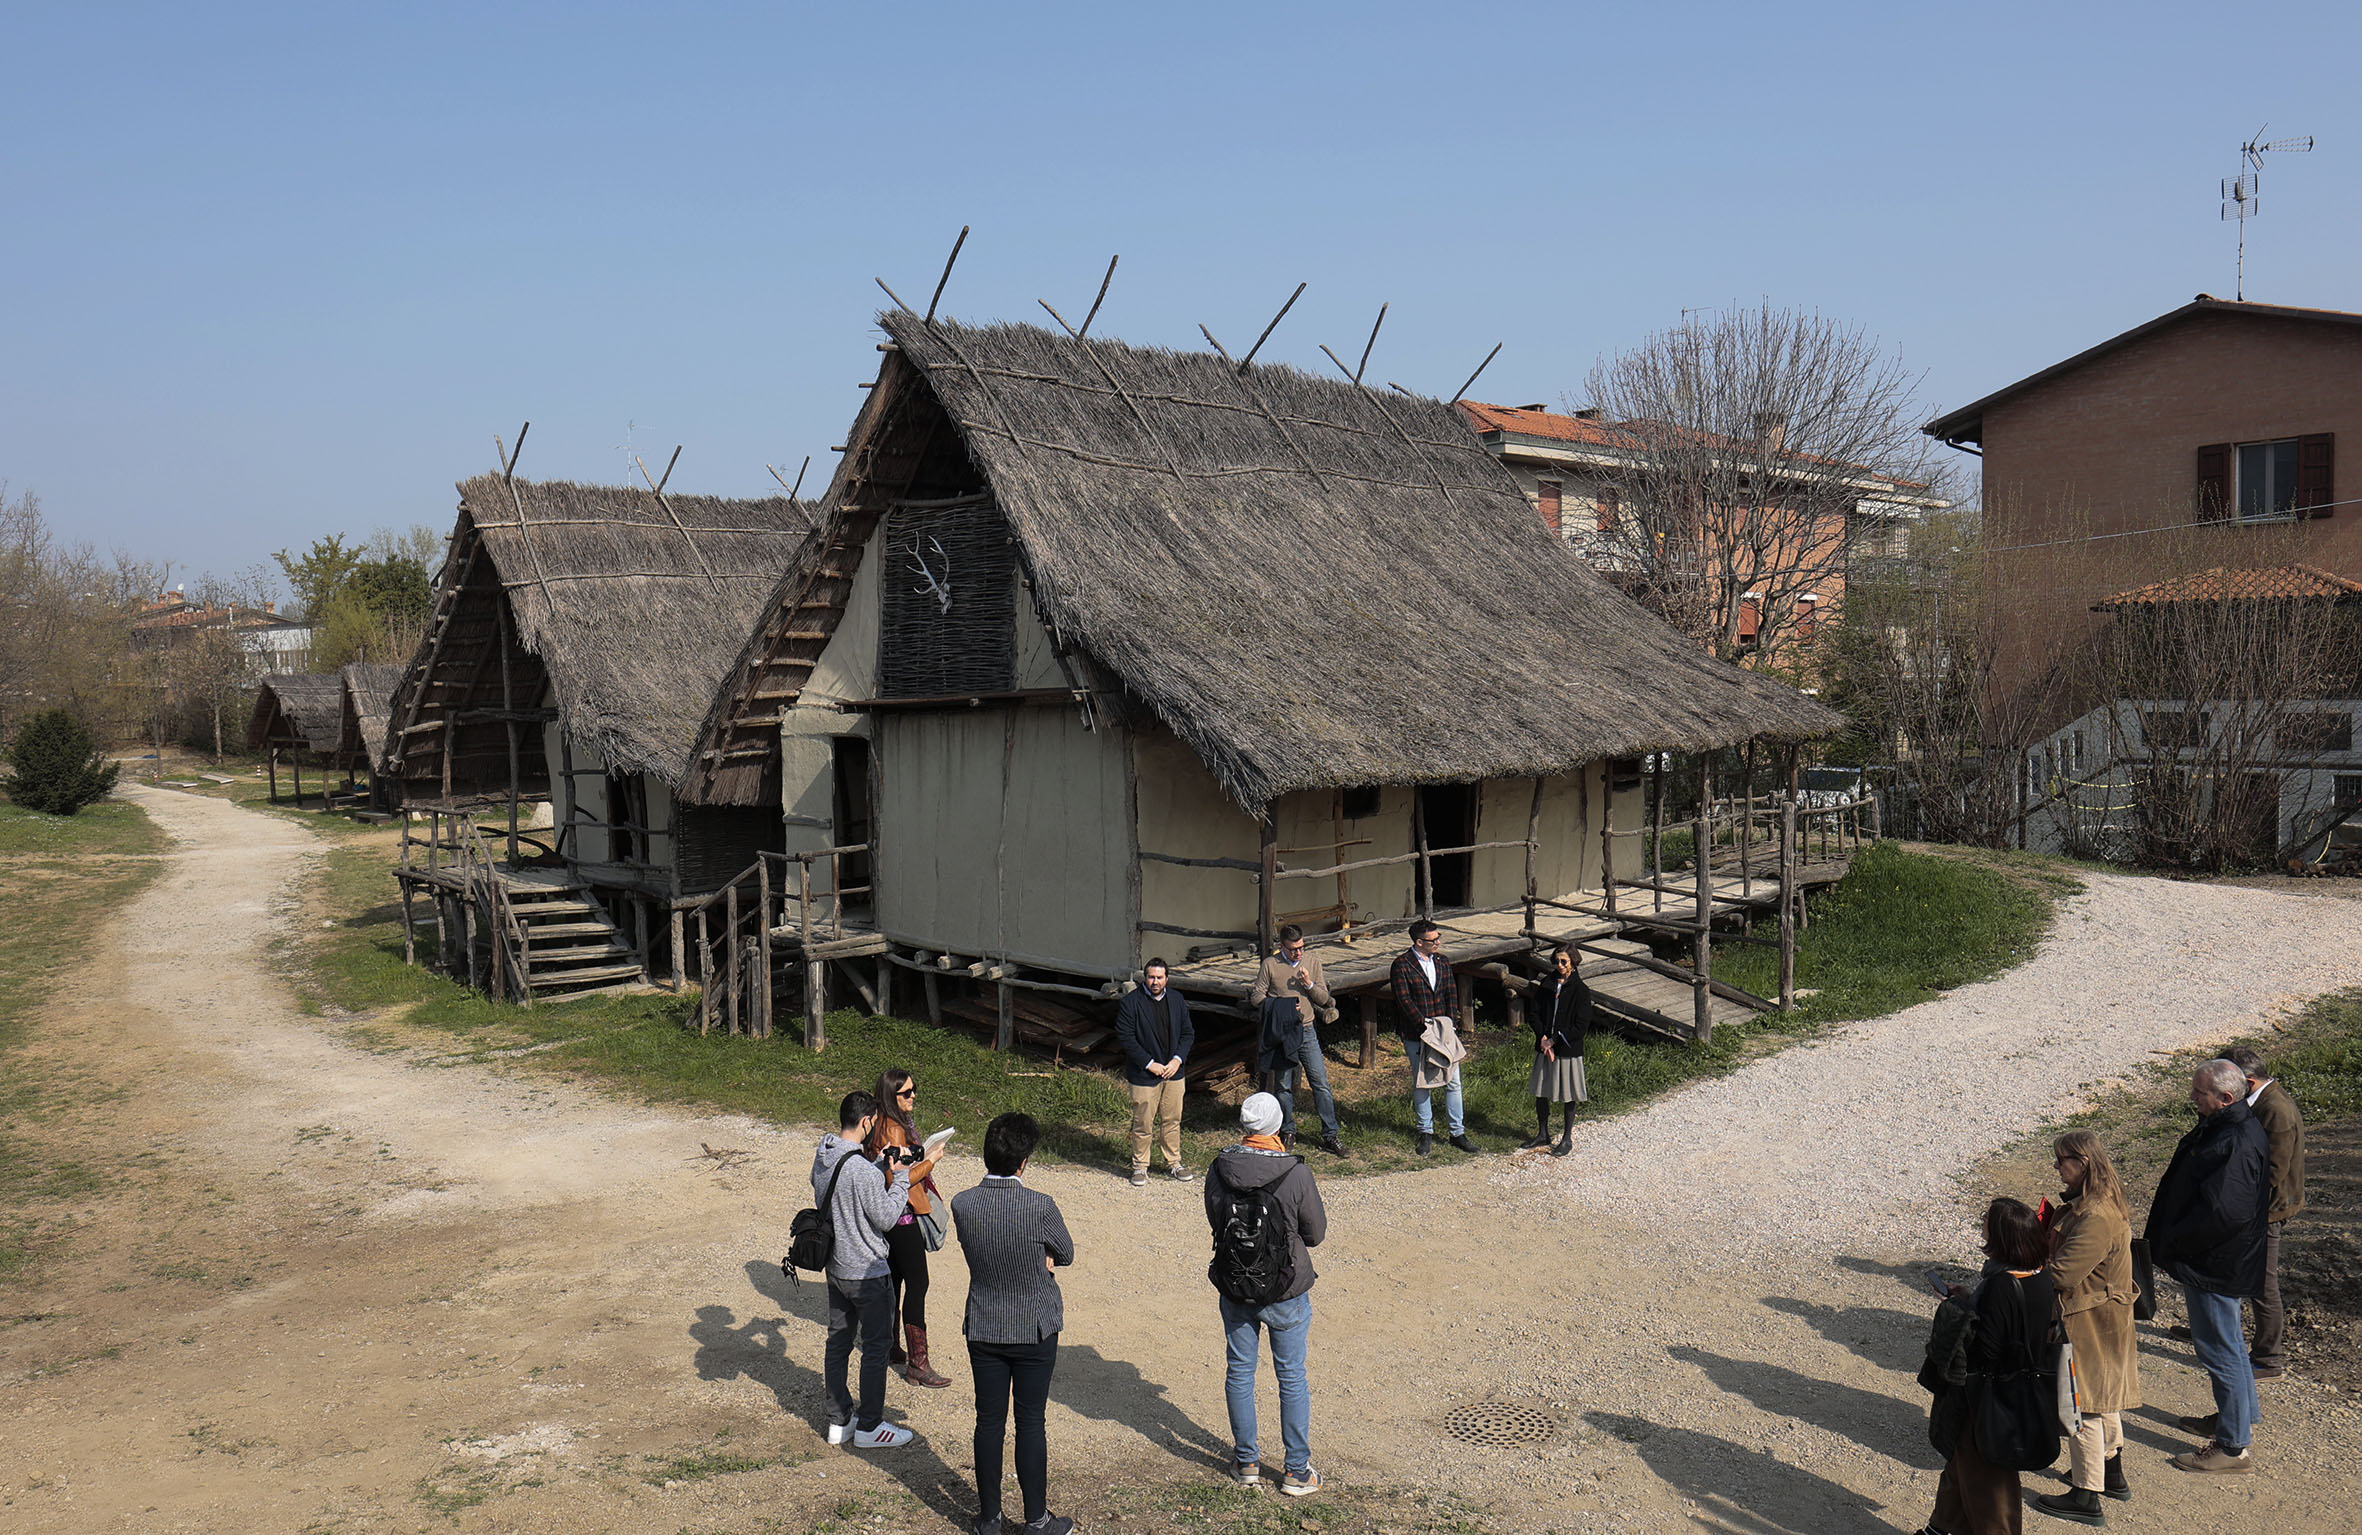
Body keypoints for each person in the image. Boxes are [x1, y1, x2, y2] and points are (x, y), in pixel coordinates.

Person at [951, 1112, 1075, 1535]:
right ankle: (1037, 1520)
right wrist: (1043, 1257)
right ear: (1024, 1161)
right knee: (1030, 1422)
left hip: (984, 1323)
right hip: (1033, 1326)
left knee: (988, 1421)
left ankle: (989, 1520)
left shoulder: (963, 1203)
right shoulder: (1040, 1205)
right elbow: (1066, 1252)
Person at [2144, 1058, 2270, 1475]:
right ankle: (2237, 1419)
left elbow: (2223, 1213)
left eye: (2200, 1092)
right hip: (2221, 1261)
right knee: (2229, 1343)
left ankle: (2232, 1447)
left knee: (2219, 1350)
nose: (2192, 1097)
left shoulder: (2233, 1140)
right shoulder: (2230, 1126)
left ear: (2225, 1097)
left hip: (2214, 1264)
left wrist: (2176, 1240)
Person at [1204, 1092, 1327, 1497]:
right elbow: (1315, 1234)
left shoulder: (1219, 1168)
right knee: (1291, 1376)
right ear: (1277, 1126)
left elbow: (1215, 1220)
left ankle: (1246, 1463)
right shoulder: (1296, 1173)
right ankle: (1296, 1471)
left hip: (1235, 1284)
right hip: (1285, 1289)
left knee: (1240, 1371)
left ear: (1244, 1126)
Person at [1919, 1197, 2056, 1535]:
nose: (1982, 1228)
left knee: (1989, 1484)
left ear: (2001, 1238)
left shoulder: (2000, 1286)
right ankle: (1939, 1529)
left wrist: (1958, 1314)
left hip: (1990, 1399)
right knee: (1961, 1464)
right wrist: (1970, 1300)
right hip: (2020, 1391)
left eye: (1986, 1223)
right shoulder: (2040, 1278)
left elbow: (1987, 1351)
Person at [2032, 1131, 2139, 1525]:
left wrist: (2022, 1280)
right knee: (2102, 1399)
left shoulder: (2095, 1216)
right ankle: (2111, 1474)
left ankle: (2085, 1495)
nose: (2057, 1167)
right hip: (2103, 1320)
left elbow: (2063, 1274)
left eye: (2062, 1160)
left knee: (2082, 1405)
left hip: (2090, 1321)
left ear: (2083, 1162)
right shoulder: (2096, 1204)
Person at [810, 1090, 917, 1449]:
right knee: (875, 1347)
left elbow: (847, 1181)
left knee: (838, 1343)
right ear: (868, 1121)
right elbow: (887, 1217)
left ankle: (839, 1420)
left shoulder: (825, 1155)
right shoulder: (860, 1170)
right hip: (867, 1273)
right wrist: (900, 1177)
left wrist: (879, 1167)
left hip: (836, 1268)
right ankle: (870, 1425)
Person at [864, 1068, 950, 1389]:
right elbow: (898, 1177)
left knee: (894, 1282)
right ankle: (918, 1364)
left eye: (914, 1089)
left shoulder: (880, 1121)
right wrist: (931, 1161)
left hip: (887, 1217)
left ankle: (889, 1346)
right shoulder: (894, 1129)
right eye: (906, 1093)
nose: (913, 1096)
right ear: (892, 1096)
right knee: (918, 1283)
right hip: (902, 1217)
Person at [2224, 1045, 2305, 1381]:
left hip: (2267, 1211)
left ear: (2248, 1082)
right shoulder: (2258, 1102)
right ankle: (2221, 1333)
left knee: (2262, 1283)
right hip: (2251, 1206)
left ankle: (2269, 1358)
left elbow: (2272, 1172)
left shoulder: (2276, 1111)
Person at [1249, 924, 1342, 1156]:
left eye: (1301, 947)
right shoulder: (1270, 964)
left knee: (1320, 1083)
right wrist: (1283, 1006)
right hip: (1283, 1032)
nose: (1298, 953)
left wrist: (1308, 984)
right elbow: (1257, 996)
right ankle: (1288, 1130)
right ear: (1282, 946)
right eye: (1293, 949)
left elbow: (1323, 998)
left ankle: (1330, 1135)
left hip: (1307, 1030)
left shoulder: (1312, 962)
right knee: (1283, 1085)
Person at [1390, 920, 1476, 1157]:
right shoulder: (1402, 965)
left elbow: (1451, 992)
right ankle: (1425, 1132)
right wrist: (1424, 1026)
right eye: (1433, 939)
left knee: (1453, 1081)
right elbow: (1404, 1000)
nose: (1437, 942)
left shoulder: (1442, 961)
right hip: (1417, 1033)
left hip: (1444, 1031)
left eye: (1438, 937)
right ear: (1419, 942)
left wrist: (1450, 1022)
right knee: (1422, 1082)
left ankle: (1457, 1132)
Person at [1114, 958, 1196, 1187]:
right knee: (1143, 1123)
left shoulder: (1177, 1000)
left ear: (1166, 978)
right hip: (1144, 1074)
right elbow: (1126, 1038)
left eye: (1159, 977)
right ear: (1145, 978)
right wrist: (1149, 1063)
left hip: (1173, 1072)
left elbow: (1188, 1034)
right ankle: (1140, 1166)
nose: (1155, 982)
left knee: (1172, 1120)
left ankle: (1174, 1162)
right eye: (1151, 977)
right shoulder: (1131, 1002)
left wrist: (1177, 1060)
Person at [1523, 944, 1592, 1157]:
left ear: (1573, 962)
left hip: (1567, 1049)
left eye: (1564, 961)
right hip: (1545, 1045)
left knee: (1569, 1093)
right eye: (1557, 961)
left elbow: (1581, 1026)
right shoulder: (1547, 984)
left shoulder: (1581, 990)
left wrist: (1554, 1040)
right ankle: (1542, 1133)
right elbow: (1534, 1013)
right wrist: (1543, 1037)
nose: (1559, 965)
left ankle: (1567, 1138)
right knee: (1541, 1090)